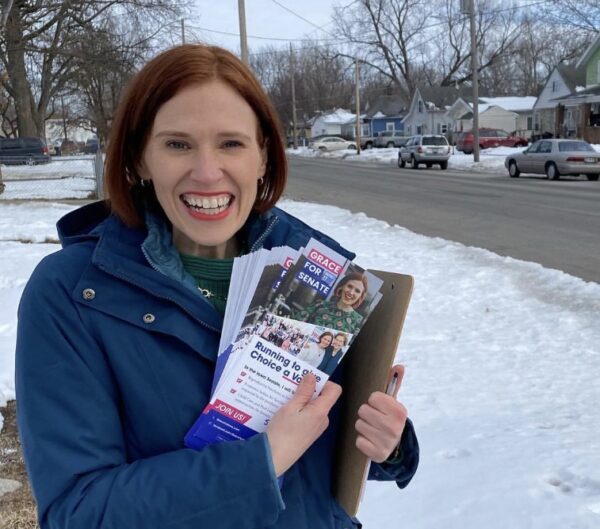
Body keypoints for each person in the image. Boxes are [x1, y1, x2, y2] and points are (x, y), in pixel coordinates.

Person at [15, 43, 418, 529]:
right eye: (178, 144)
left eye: (231, 143)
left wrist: (388, 444)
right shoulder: (71, 294)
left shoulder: (316, 276)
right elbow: (78, 512)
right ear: (140, 158)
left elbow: (320, 460)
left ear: (263, 156)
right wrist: (260, 463)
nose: (207, 172)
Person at [294, 271, 368, 334]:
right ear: (342, 286)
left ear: (360, 297)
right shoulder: (320, 305)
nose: (351, 292)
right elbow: (296, 325)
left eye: (357, 291)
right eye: (349, 286)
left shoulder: (358, 323)